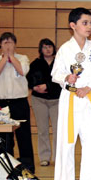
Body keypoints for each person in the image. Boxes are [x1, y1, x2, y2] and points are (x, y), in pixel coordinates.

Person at [51, 8, 91, 180]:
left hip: (89, 98)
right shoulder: (65, 49)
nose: (89, 27)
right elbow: (55, 74)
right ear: (72, 25)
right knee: (66, 141)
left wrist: (89, 87)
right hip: (70, 98)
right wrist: (67, 77)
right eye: (85, 23)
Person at [0, 32, 35, 172]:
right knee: (4, 138)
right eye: (5, 43)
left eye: (10, 42)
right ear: (0, 45)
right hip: (2, 103)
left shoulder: (23, 58)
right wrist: (4, 58)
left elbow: (23, 71)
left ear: (15, 44)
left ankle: (28, 169)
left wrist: (11, 56)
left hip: (19, 102)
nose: (8, 45)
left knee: (24, 136)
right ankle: (5, 169)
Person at [27, 38, 61, 167]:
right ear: (40, 50)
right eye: (45, 47)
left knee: (58, 130)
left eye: (50, 46)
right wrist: (34, 87)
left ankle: (58, 157)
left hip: (56, 100)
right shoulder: (35, 63)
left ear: (53, 48)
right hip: (39, 100)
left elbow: (62, 81)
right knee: (42, 130)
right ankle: (44, 157)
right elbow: (29, 79)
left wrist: (47, 86)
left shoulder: (59, 62)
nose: (48, 49)